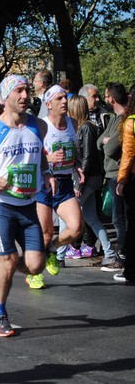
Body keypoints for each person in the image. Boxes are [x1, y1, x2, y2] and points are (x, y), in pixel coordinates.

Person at [0, 75, 55, 337]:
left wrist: (47, 173)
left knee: (36, 266)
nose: (24, 96)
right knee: (9, 260)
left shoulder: (38, 126)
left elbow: (39, 155)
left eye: (27, 90)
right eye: (18, 91)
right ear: (6, 97)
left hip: (28, 204)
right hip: (0, 206)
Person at [28, 85, 83, 289]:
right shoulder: (42, 126)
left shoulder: (73, 123)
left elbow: (72, 151)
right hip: (44, 183)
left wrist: (76, 165)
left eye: (65, 98)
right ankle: (33, 273)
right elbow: (32, 155)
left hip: (65, 183)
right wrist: (48, 158)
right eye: (59, 98)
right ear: (48, 104)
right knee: (45, 232)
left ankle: (52, 249)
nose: (64, 101)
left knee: (77, 227)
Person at [68, 95, 117, 270]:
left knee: (69, 215)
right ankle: (110, 253)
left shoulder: (86, 128)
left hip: (88, 179)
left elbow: (88, 156)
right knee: (91, 218)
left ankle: (57, 254)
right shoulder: (81, 128)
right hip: (88, 178)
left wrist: (79, 183)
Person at [98, 82, 128, 262]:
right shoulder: (114, 117)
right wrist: (106, 141)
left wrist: (106, 142)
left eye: (105, 95)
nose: (104, 99)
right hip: (112, 174)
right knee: (116, 216)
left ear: (112, 98)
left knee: (119, 218)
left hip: (118, 174)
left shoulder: (124, 118)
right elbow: (101, 140)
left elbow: (109, 149)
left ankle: (123, 253)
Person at [114, 88, 135, 283]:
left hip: (133, 178)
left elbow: (127, 155)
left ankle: (131, 271)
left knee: (132, 225)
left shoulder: (131, 122)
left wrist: (121, 180)